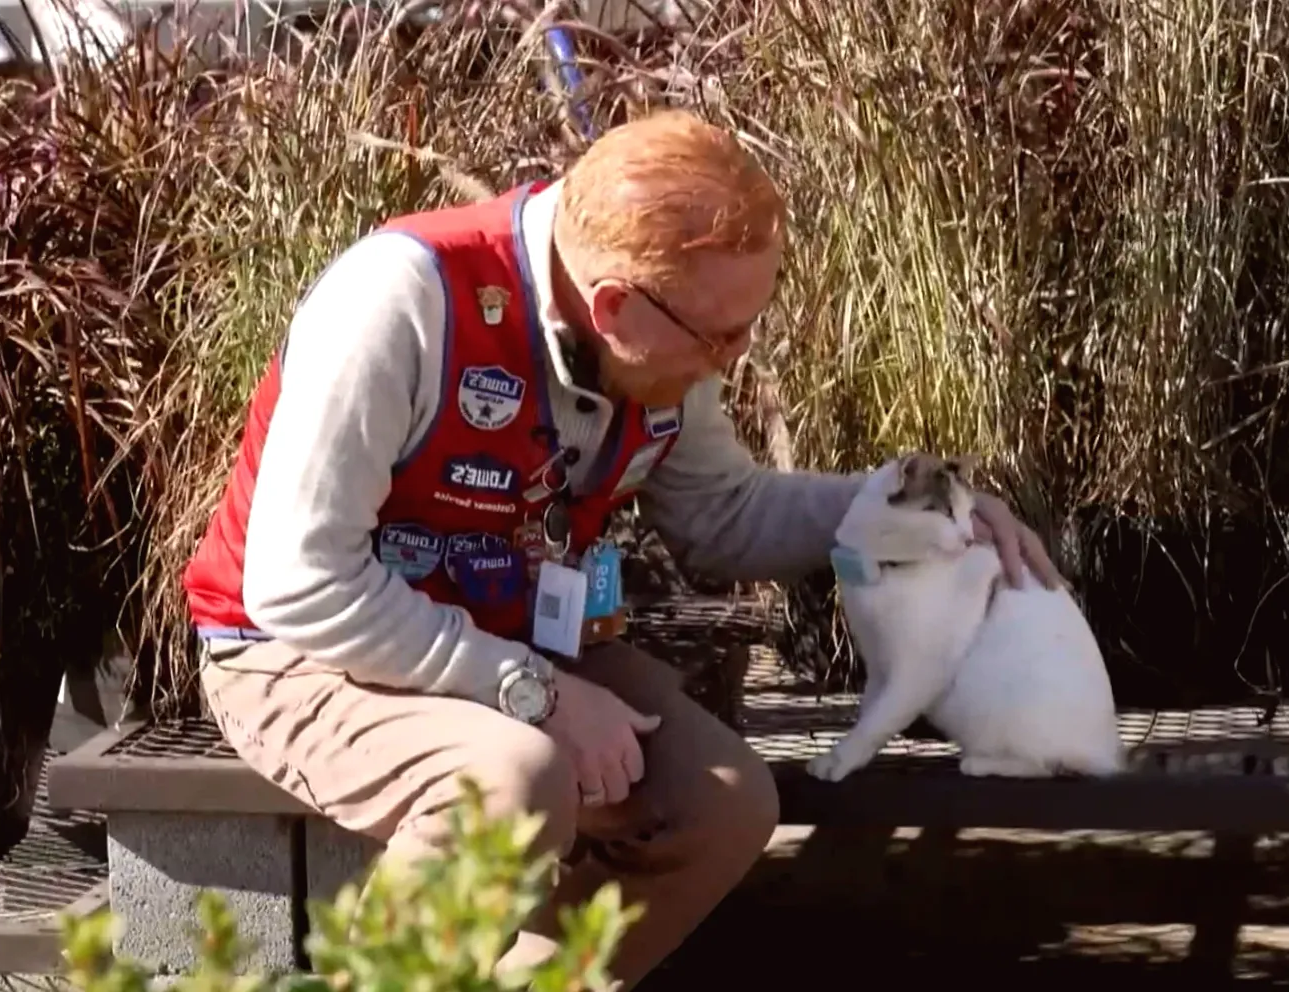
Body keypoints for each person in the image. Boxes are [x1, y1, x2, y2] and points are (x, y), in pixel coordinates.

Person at [181, 108, 1061, 988]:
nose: (734, 359)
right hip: (294, 651)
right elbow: (299, 586)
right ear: (613, 308)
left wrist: (913, 509)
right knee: (509, 783)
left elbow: (724, 514)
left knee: (720, 806)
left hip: (508, 642)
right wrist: (533, 692)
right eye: (721, 336)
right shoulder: (401, 301)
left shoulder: (659, 330)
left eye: (749, 325)